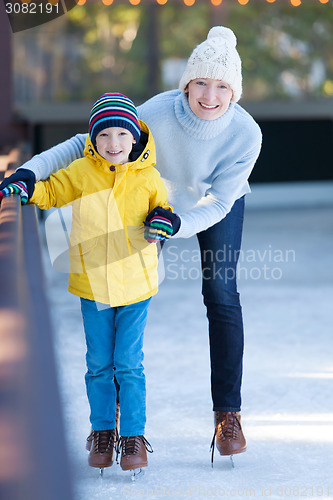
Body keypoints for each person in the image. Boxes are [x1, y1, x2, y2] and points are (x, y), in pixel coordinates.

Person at [0, 26, 262, 462]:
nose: (209, 96)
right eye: (200, 83)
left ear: (234, 92)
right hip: (145, 201)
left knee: (221, 294)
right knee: (115, 291)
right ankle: (112, 425)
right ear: (186, 84)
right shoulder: (157, 113)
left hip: (213, 204)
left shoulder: (246, 134)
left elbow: (220, 201)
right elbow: (88, 144)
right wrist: (30, 171)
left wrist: (174, 222)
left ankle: (227, 414)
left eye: (221, 86)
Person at [0, 93, 179, 474]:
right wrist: (26, 189)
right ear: (93, 140)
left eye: (121, 135)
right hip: (93, 285)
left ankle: (132, 437)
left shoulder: (149, 178)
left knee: (128, 363)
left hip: (135, 285)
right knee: (99, 363)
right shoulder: (81, 172)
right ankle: (102, 432)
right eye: (104, 136)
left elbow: (166, 211)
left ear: (134, 138)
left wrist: (164, 220)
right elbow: (52, 191)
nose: (113, 144)